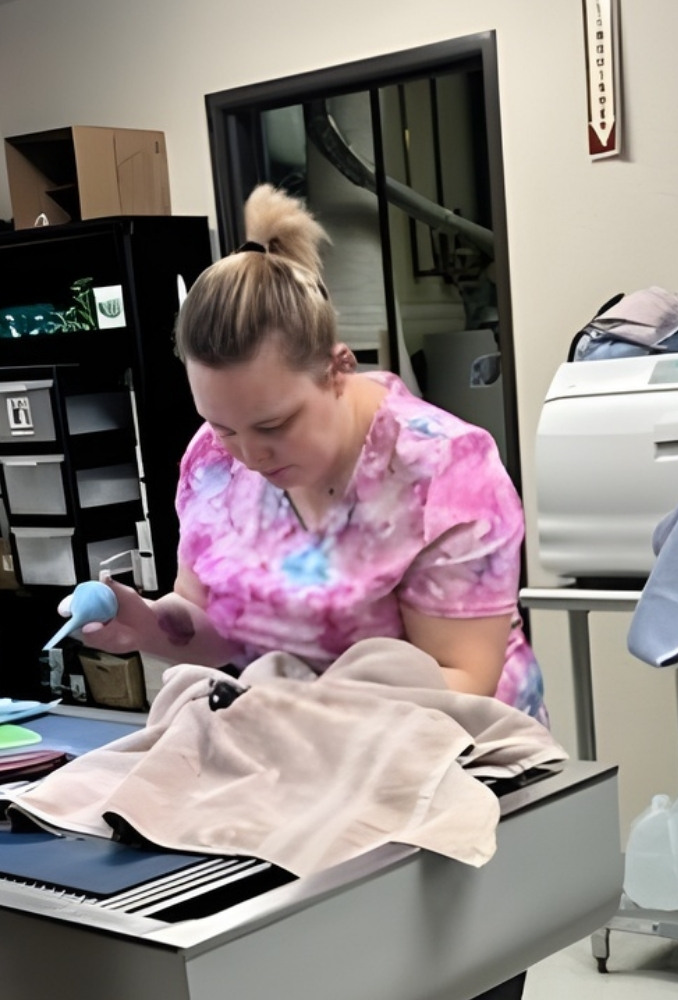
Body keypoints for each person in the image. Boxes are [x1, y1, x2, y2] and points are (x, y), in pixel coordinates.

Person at [64, 185, 543, 998]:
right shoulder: (212, 461)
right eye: (222, 427)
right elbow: (208, 624)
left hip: (441, 770)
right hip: (288, 769)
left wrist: (289, 719)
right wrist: (144, 624)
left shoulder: (441, 471)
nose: (246, 454)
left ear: (337, 368)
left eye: (274, 427)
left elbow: (461, 684)